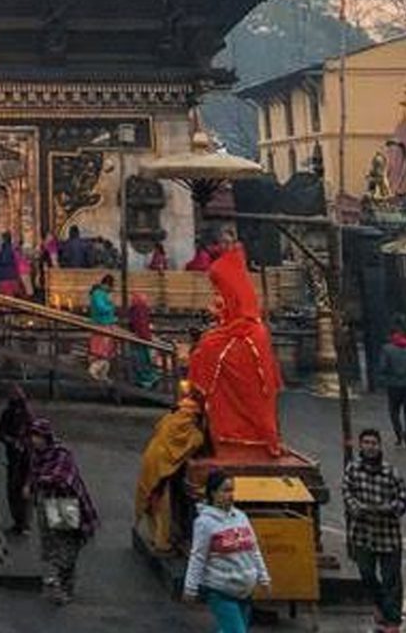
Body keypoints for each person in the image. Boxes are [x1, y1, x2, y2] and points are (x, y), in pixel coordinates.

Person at [189, 244, 282, 456]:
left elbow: (216, 356)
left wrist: (206, 348)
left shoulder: (249, 332)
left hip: (241, 430)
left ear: (232, 294)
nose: (214, 301)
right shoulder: (233, 329)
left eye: (217, 293)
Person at [183, 468, 270, 633]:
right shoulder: (205, 523)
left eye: (232, 490)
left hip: (245, 591)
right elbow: (198, 557)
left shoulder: (241, 517)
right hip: (220, 591)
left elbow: (254, 549)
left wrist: (263, 577)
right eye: (225, 490)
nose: (230, 495)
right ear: (213, 493)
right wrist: (190, 587)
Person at [26, 418, 98, 605]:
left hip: (63, 502)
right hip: (45, 501)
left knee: (66, 544)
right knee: (52, 542)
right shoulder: (36, 455)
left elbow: (63, 477)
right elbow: (33, 475)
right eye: (33, 436)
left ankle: (65, 586)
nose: (35, 440)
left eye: (38, 436)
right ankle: (58, 579)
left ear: (46, 437)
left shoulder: (61, 454)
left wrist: (40, 481)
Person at [342, 428, 406, 633]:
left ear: (379, 446)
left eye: (373, 443)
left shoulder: (391, 472)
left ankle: (392, 621)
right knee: (367, 575)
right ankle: (381, 607)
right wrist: (356, 509)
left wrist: (388, 509)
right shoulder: (352, 470)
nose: (370, 446)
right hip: (362, 535)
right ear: (360, 445)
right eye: (366, 442)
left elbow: (403, 499)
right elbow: (346, 493)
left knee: (392, 580)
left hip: (388, 536)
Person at [134, 391, 205, 552]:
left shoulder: (170, 417)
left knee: (151, 498)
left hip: (151, 455)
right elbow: (194, 444)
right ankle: (161, 541)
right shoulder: (192, 428)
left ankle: (155, 535)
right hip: (163, 464)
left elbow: (158, 427)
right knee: (162, 502)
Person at [0, 385, 34, 535]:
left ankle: (24, 523)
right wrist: (11, 441)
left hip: (26, 456)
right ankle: (19, 522)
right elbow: (1, 432)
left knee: (25, 489)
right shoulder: (8, 413)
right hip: (13, 457)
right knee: (13, 490)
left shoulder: (27, 415)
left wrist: (23, 443)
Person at [378, 319, 406, 447]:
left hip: (393, 385)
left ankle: (399, 436)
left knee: (394, 411)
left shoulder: (387, 349)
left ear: (392, 335)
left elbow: (383, 367)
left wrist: (384, 378)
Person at [87, 274, 116, 383]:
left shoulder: (101, 293)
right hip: (101, 324)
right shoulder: (98, 294)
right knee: (101, 349)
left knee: (106, 349)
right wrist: (110, 305)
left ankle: (103, 374)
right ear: (106, 284)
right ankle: (94, 371)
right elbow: (101, 308)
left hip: (106, 323)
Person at [127, 291, 158, 389]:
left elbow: (138, 324)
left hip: (138, 337)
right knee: (144, 358)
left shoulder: (136, 309)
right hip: (142, 337)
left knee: (140, 359)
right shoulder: (141, 309)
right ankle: (147, 378)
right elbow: (143, 324)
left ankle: (144, 379)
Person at [0, 231, 21, 297]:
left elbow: (4, 261)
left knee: (6, 298)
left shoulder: (5, 249)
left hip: (5, 276)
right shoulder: (11, 248)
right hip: (11, 275)